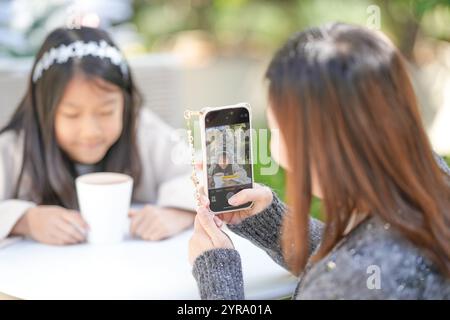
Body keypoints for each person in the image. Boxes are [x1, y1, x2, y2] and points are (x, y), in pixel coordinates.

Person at [188, 23, 450, 299]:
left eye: (277, 129)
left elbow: (350, 273)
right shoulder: (433, 181)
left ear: (317, 146)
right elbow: (359, 249)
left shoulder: (347, 284)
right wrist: (269, 222)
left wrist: (217, 276)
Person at [0, 27, 195, 245]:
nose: (90, 131)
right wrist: (25, 220)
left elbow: (198, 173)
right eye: (72, 114)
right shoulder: (13, 149)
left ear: (126, 103)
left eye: (106, 112)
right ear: (42, 111)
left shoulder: (143, 131)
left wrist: (178, 212)